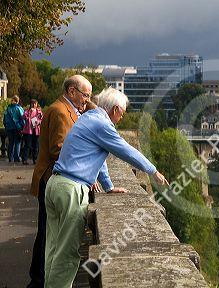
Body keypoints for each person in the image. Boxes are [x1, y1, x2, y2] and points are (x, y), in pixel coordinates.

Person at [44, 87, 168, 287]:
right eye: (123, 113)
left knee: (53, 249)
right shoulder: (103, 124)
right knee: (67, 255)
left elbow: (98, 157)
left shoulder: (88, 118)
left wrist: (108, 186)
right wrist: (153, 171)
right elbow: (126, 150)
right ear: (116, 109)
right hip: (71, 189)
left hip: (55, 184)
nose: (122, 117)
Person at [27, 75, 95, 288]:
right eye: (85, 95)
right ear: (71, 91)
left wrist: (88, 103)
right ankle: (38, 280)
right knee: (49, 234)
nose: (86, 100)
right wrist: (83, 167)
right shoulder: (60, 111)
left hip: (53, 179)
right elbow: (60, 149)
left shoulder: (69, 110)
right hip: (51, 179)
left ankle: (40, 279)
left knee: (49, 233)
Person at [3, 95, 24, 163]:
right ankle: (16, 158)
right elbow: (22, 118)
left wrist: (6, 126)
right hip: (17, 128)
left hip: (9, 128)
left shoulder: (8, 108)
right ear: (17, 101)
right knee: (17, 143)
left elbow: (4, 119)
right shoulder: (19, 108)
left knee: (11, 143)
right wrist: (22, 127)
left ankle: (10, 158)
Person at [22, 99, 43, 165]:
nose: (34, 105)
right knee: (27, 145)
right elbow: (24, 117)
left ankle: (35, 159)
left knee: (36, 146)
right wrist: (30, 116)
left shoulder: (39, 111)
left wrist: (38, 122)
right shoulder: (27, 111)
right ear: (30, 104)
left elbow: (42, 119)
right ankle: (25, 160)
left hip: (36, 131)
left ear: (37, 104)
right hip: (28, 131)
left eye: (35, 104)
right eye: (32, 104)